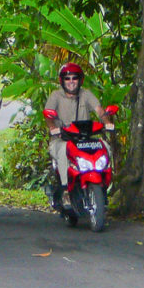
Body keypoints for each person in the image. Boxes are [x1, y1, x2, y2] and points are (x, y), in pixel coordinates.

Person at [44, 62, 111, 209]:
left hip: (84, 139)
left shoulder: (86, 94)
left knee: (104, 146)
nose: (71, 81)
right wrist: (53, 127)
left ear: (80, 80)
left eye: (74, 78)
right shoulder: (55, 96)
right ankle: (66, 192)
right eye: (67, 78)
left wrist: (107, 122)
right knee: (63, 150)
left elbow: (99, 110)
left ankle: (103, 185)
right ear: (62, 80)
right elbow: (48, 115)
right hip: (62, 140)